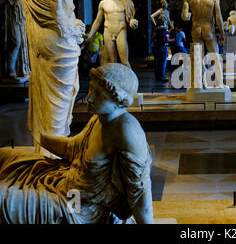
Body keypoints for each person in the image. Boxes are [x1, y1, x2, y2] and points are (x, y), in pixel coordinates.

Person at [0, 63, 153, 224]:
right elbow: (72, 149)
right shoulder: (99, 118)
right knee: (6, 156)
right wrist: (43, 137)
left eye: (99, 94)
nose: (90, 97)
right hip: (65, 180)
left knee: (4, 200)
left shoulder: (127, 131)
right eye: (91, 89)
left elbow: (140, 195)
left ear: (118, 100)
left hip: (80, 207)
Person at [20, 0, 86, 155]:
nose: (72, 4)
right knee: (57, 108)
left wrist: (74, 26)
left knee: (56, 105)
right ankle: (51, 157)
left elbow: (62, 11)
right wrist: (72, 28)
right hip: (58, 41)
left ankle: (50, 152)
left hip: (54, 40)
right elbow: (59, 15)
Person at [181, 0, 226, 88]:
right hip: (208, 29)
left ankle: (202, 84)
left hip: (196, 29)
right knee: (215, 56)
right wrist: (222, 33)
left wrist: (190, 15)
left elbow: (184, 17)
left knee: (198, 58)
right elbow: (218, 17)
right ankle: (220, 84)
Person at [84, 0, 138, 68]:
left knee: (124, 60)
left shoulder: (124, 1)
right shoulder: (103, 3)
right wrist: (90, 35)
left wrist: (133, 22)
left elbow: (131, 18)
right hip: (108, 31)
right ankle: (114, 81)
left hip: (121, 30)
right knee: (112, 61)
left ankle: (131, 81)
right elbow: (98, 21)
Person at [0, 0, 30, 83]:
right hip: (10, 13)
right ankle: (9, 70)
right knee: (15, 41)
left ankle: (20, 69)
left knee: (22, 42)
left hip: (20, 14)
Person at [151, 16, 174, 82]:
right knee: (162, 63)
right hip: (163, 47)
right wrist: (173, 40)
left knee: (157, 62)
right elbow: (167, 39)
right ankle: (161, 77)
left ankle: (157, 76)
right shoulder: (165, 30)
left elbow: (152, 39)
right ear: (163, 23)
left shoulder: (155, 30)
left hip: (156, 47)